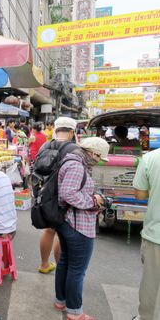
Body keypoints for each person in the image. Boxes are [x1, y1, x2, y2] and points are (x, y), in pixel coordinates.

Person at [54, 137, 109, 320]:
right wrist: (94, 201)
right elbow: (68, 193)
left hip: (67, 221)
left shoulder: (73, 161)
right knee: (77, 270)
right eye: (100, 157)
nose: (100, 161)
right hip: (78, 224)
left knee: (65, 263)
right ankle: (75, 312)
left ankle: (60, 300)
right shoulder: (77, 166)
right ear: (93, 153)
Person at [37, 117, 77, 274]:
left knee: (48, 230)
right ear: (72, 132)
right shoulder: (74, 149)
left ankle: (44, 264)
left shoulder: (45, 145)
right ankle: (61, 267)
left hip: (45, 194)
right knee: (61, 233)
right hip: (64, 196)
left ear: (55, 129)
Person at [133, 147, 160, 320]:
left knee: (150, 282)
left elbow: (140, 194)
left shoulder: (151, 158)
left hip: (156, 233)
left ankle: (146, 317)